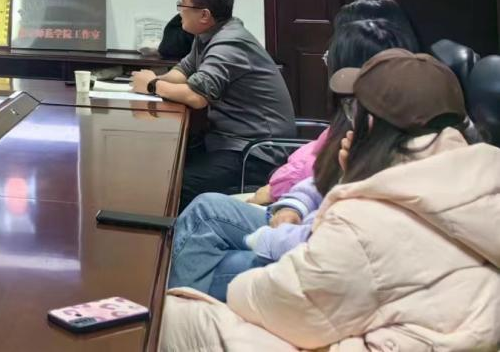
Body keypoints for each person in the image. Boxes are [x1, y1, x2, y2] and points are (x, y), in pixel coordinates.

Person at [161, 49, 500, 351]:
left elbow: (289, 304)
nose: (349, 122)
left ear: (373, 123)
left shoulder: (366, 216)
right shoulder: (472, 169)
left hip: (362, 328)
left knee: (177, 313)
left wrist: (237, 283)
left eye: (356, 110)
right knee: (206, 218)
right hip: (387, 309)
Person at [167, 15, 418, 300]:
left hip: (313, 256)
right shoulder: (362, 116)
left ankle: (175, 311)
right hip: (301, 222)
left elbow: (337, 238)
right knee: (203, 212)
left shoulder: (386, 139)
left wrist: (273, 233)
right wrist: (293, 205)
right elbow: (322, 180)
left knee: (198, 256)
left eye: (330, 58)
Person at [130, 0, 295, 207]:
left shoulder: (229, 43)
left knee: (176, 184)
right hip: (228, 141)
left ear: (204, 15)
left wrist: (152, 85)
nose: (179, 11)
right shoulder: (209, 35)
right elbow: (184, 70)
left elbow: (197, 97)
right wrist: (154, 80)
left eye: (182, 4)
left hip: (256, 153)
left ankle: (177, 231)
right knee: (163, 164)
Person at [250, 0, 416, 205]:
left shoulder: (370, 117)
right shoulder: (370, 106)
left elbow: (327, 181)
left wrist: (279, 189)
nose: (328, 56)